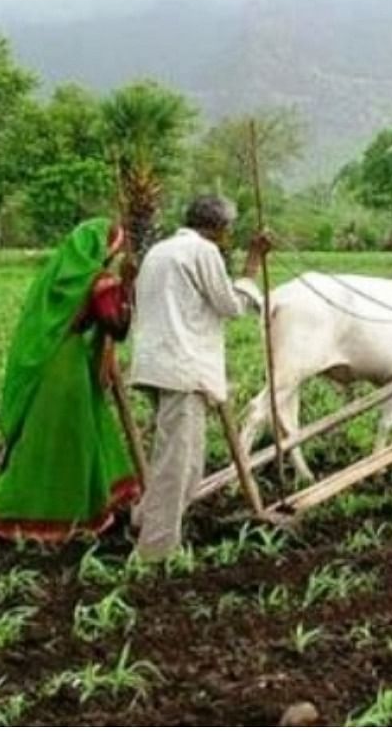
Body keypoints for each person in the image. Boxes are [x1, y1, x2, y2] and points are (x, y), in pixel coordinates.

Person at [0, 218, 140, 542]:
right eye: (113, 249)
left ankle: (14, 502)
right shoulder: (98, 281)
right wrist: (127, 287)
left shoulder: (54, 274)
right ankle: (49, 512)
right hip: (69, 369)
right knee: (68, 442)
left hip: (45, 362)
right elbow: (117, 326)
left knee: (40, 438)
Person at [129, 194, 272, 562]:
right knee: (177, 463)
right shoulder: (202, 252)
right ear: (221, 229)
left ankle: (143, 518)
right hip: (183, 368)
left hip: (154, 365)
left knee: (187, 460)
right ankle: (155, 550)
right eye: (228, 229)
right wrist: (253, 263)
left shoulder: (159, 251)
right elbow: (231, 306)